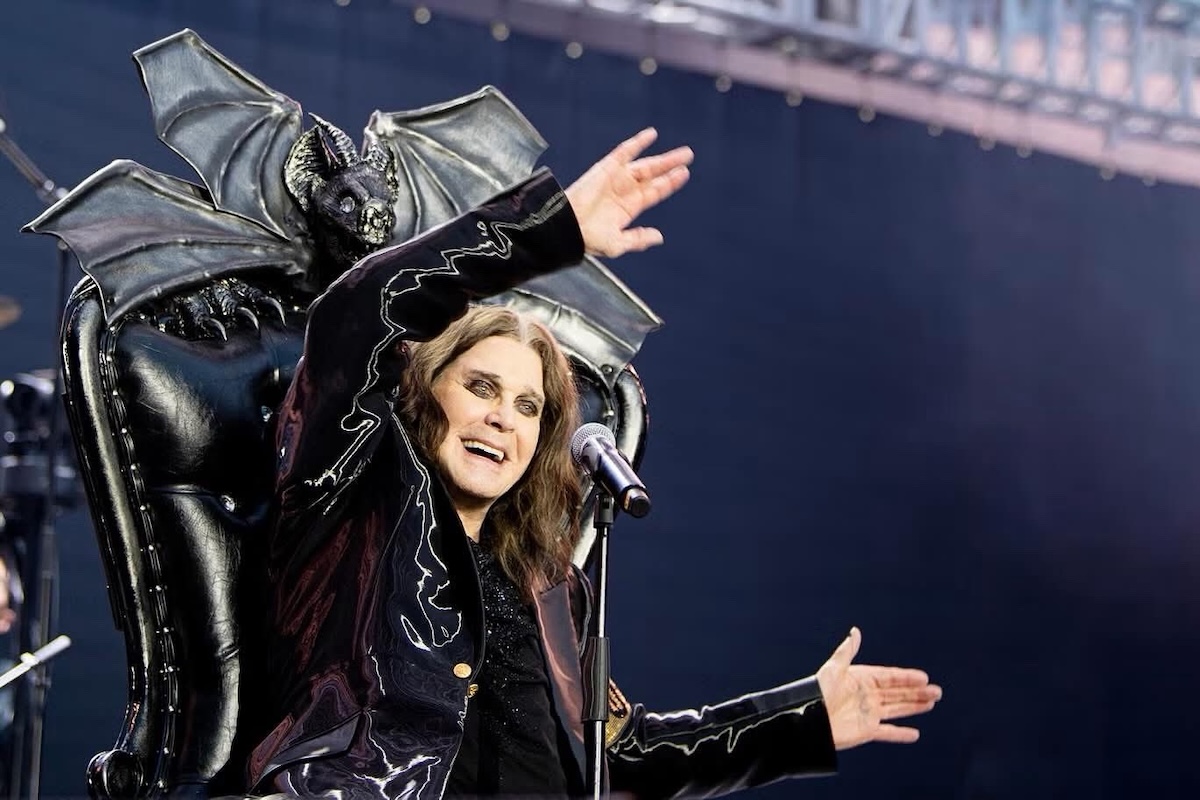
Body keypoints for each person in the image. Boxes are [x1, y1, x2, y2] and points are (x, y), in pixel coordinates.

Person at [250, 128, 942, 798]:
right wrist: (546, 228)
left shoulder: (552, 586)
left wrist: (802, 722)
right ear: (424, 392)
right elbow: (359, 310)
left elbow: (620, 754)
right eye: (482, 388)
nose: (503, 418)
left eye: (529, 407)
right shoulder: (349, 496)